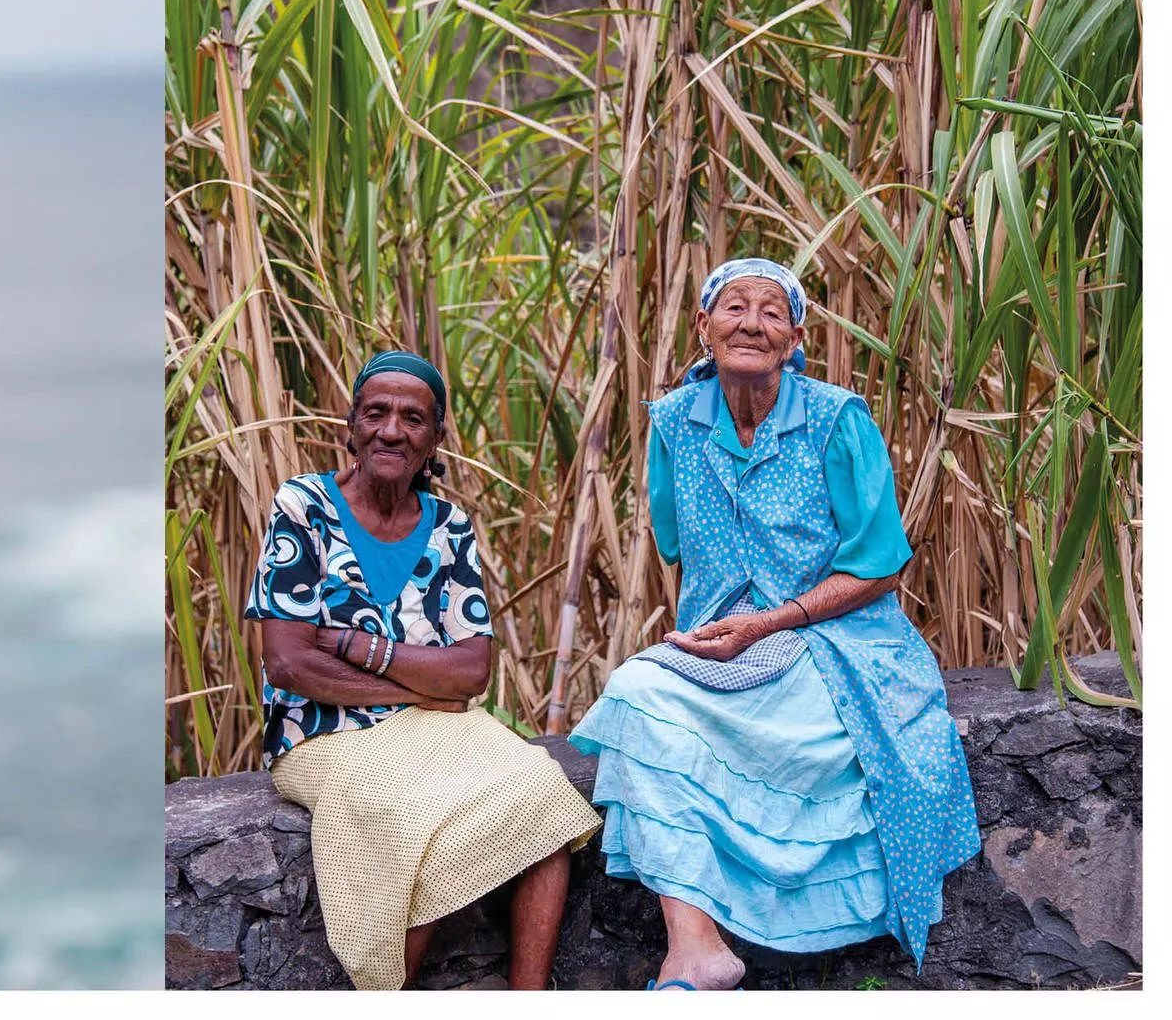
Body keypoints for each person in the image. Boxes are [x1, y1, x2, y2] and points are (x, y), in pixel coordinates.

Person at [568, 258, 980, 990]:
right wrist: (735, 631)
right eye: (733, 308)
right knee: (634, 696)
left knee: (647, 702)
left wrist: (774, 622)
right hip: (732, 645)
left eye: (771, 311)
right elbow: (675, 545)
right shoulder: (672, 426)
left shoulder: (836, 421)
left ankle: (705, 949)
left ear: (795, 339)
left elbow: (881, 565)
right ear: (703, 328)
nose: (751, 323)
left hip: (839, 645)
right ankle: (695, 944)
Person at [244, 351, 601, 990]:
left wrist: (360, 646)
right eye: (375, 412)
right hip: (322, 736)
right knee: (408, 815)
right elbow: (288, 660)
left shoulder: (449, 526)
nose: (391, 429)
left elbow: (470, 671)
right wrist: (414, 685)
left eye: (413, 418)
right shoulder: (303, 506)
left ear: (435, 438)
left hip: (438, 724)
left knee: (544, 795)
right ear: (350, 426)